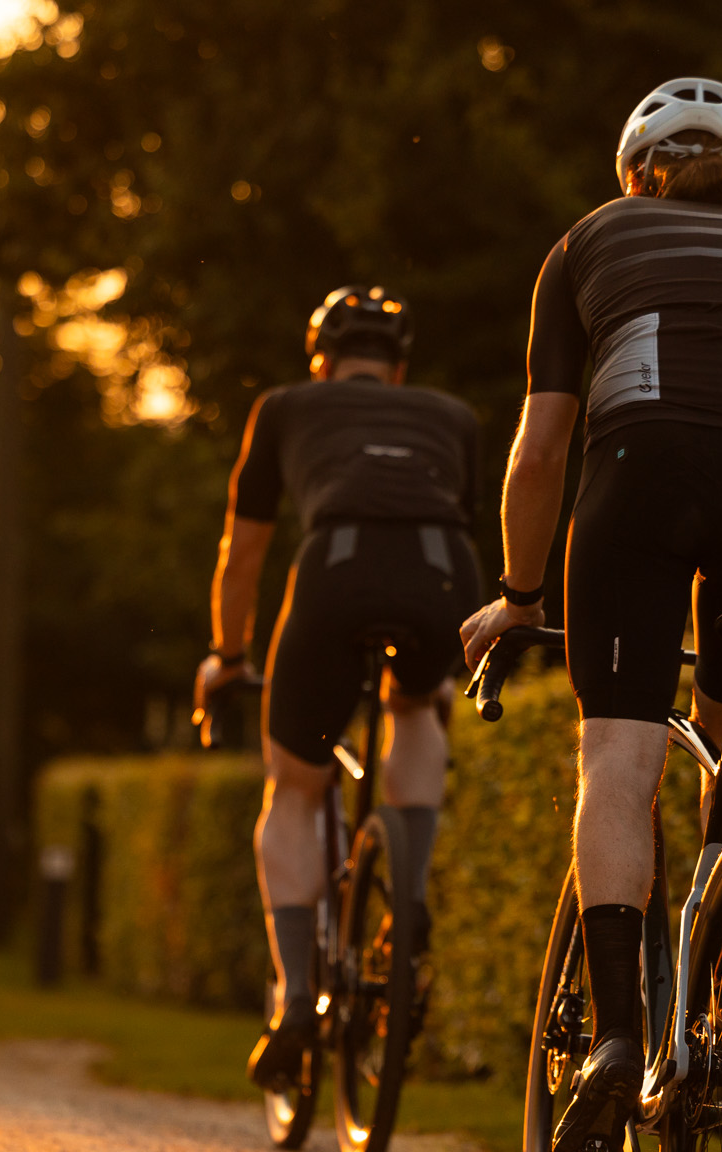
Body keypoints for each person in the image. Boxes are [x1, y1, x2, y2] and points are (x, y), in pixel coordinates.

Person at [459, 78, 722, 1152]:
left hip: (632, 473)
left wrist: (521, 598)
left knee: (618, 760)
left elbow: (538, 451)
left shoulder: (589, 238)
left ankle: (617, 1039)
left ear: (634, 172)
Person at [196, 286, 483, 1091]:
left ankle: (294, 997)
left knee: (293, 786)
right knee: (416, 702)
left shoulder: (284, 406)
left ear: (320, 357)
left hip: (336, 571)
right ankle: (411, 895)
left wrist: (227, 653)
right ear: (400, 369)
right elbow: (464, 517)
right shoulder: (452, 416)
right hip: (442, 570)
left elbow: (243, 551)